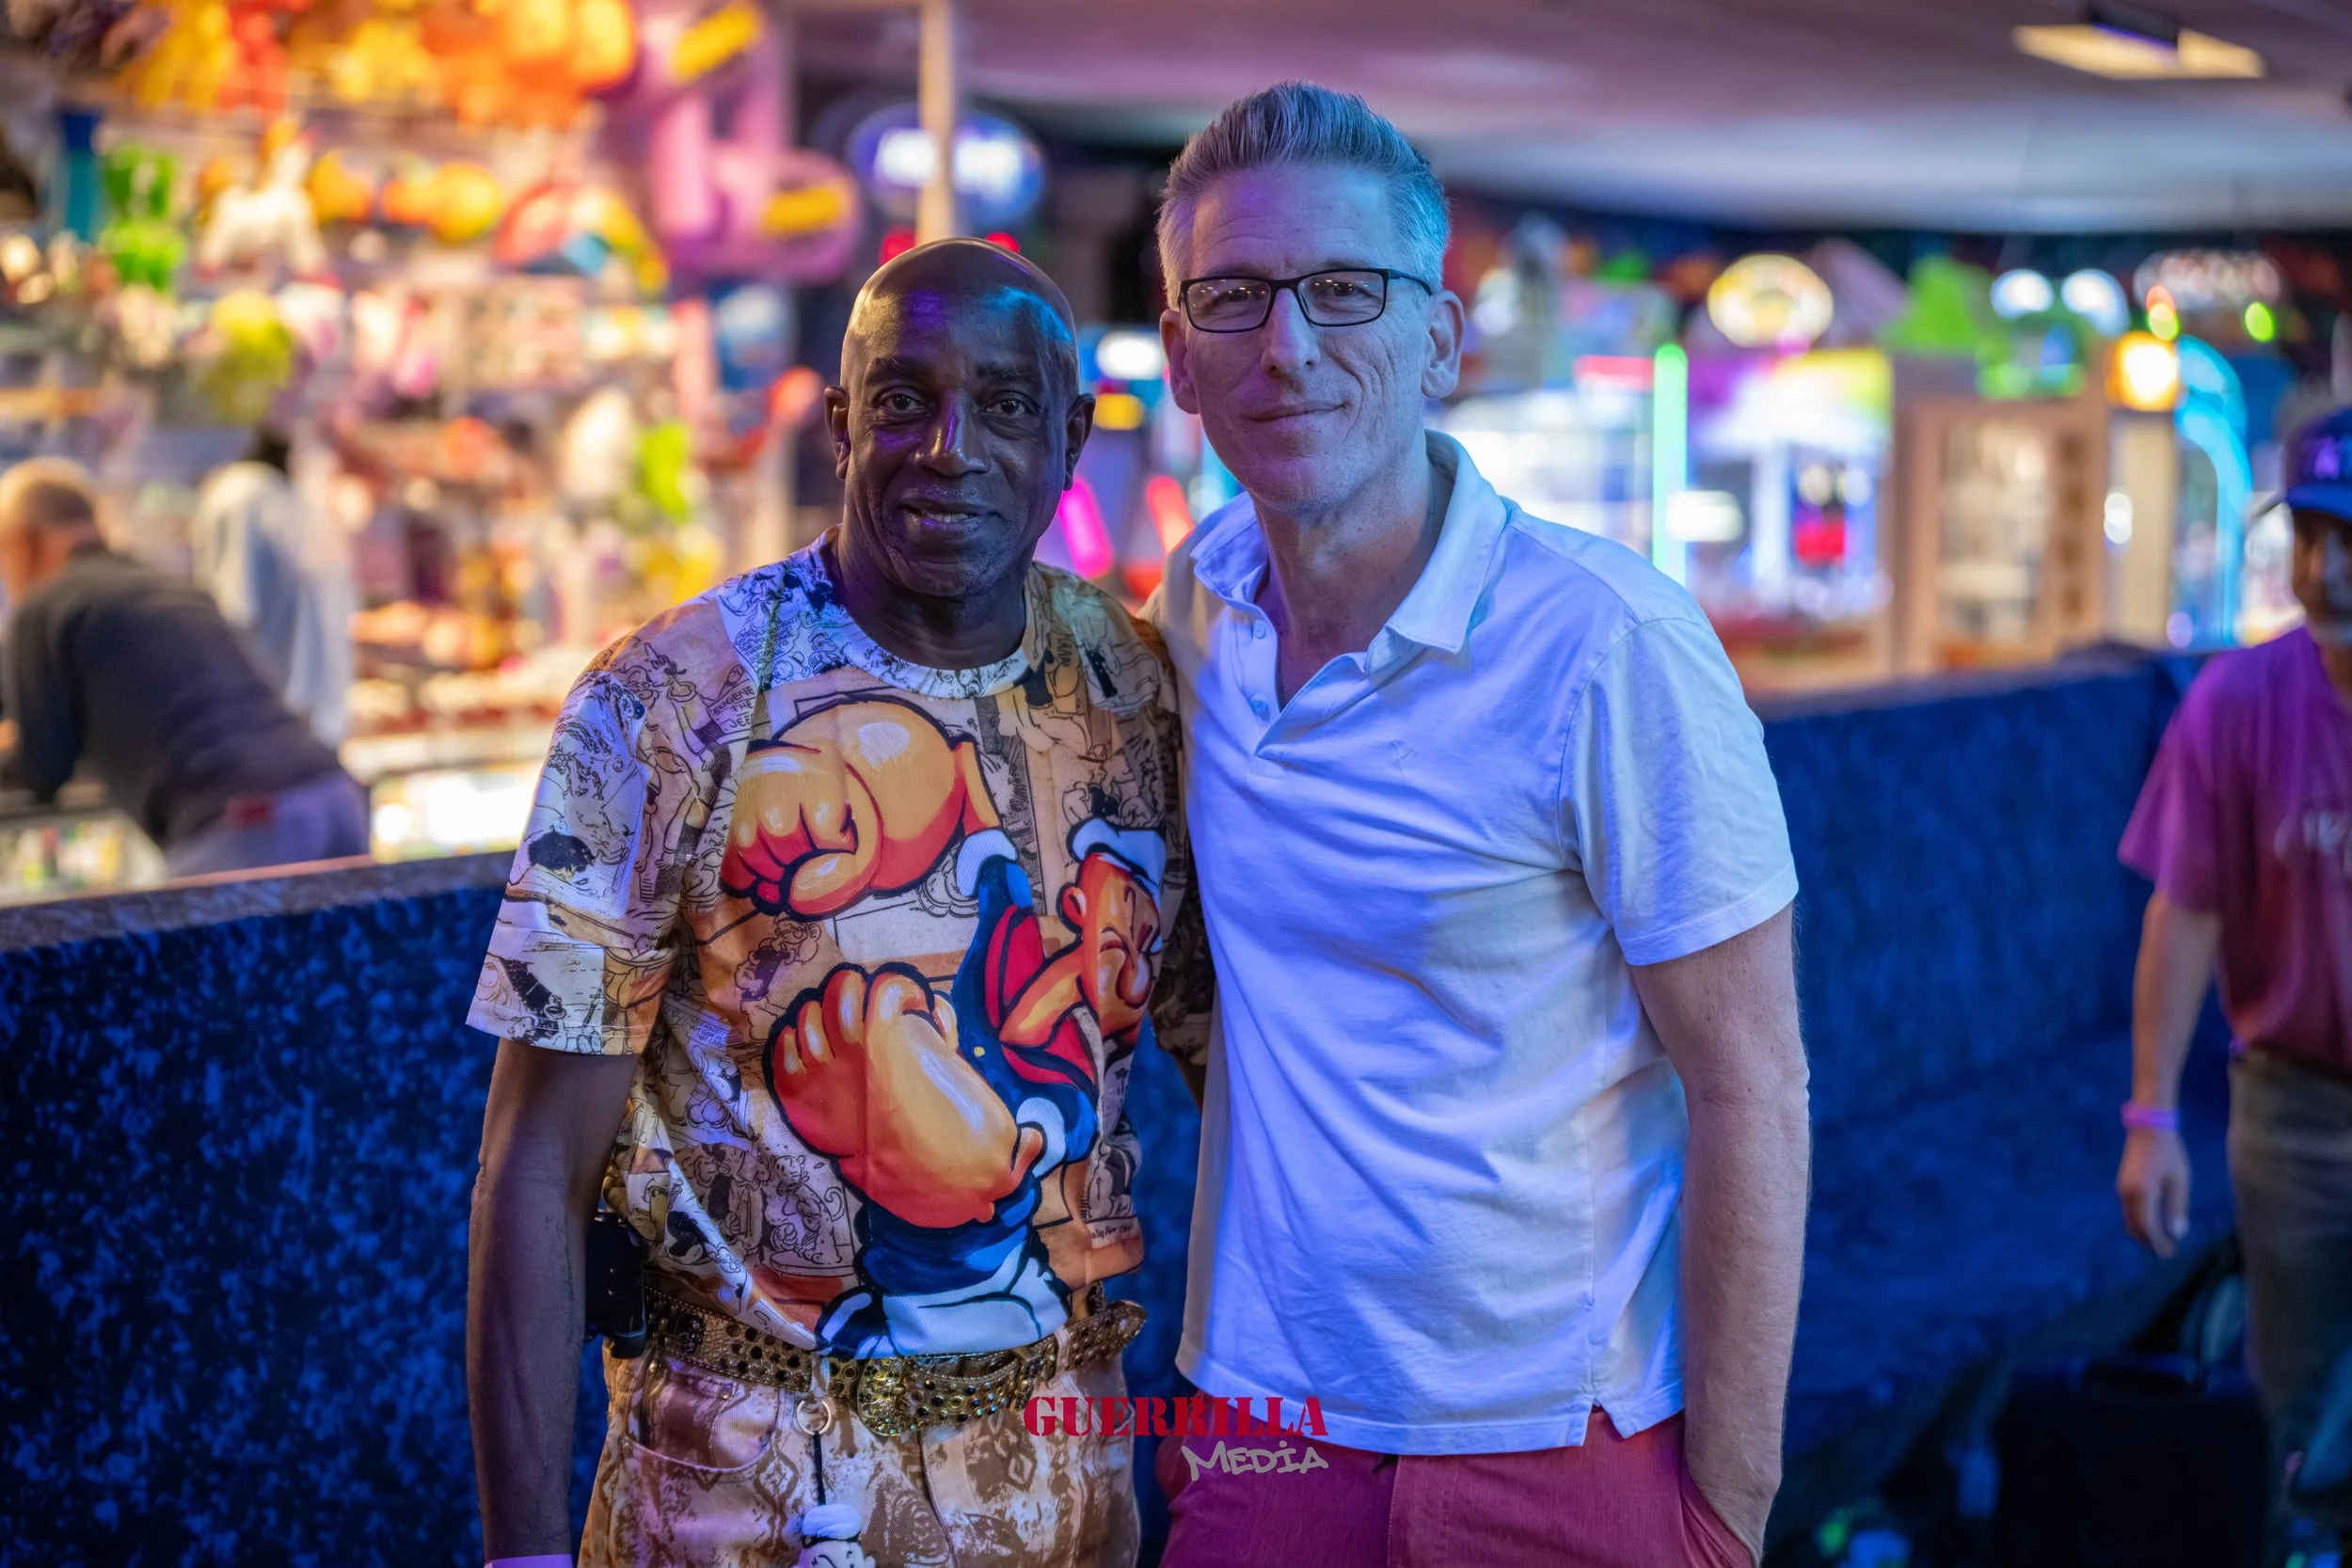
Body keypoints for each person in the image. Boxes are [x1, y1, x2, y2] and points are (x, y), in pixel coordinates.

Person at [465, 238, 1210, 1568]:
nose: (949, 449)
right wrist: (520, 1553)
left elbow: (1238, 1064)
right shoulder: (668, 698)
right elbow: (535, 1158)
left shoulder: (1136, 687)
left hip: (1066, 1481)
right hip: (740, 1492)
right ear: (841, 424)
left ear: (1070, 434)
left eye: (1004, 404)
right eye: (905, 399)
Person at [1145, 84, 1809, 1567]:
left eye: (1344, 290)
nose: (1288, 345)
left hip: (1566, 1438)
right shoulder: (1196, 611)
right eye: (1235, 297)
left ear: (1440, 340)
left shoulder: (1608, 643)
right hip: (1262, 1421)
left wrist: (1727, 1510)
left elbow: (1754, 1084)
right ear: (1182, 356)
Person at [2117, 405, 2352, 1549]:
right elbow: (2184, 911)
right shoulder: (2237, 701)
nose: (2326, 568)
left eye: (2350, 539)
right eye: (2309, 534)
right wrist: (2150, 1116)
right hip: (2292, 1108)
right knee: (2293, 1405)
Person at [0, 456, 368, 877]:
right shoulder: (162, 584)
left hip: (246, 820)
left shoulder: (47, 606)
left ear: (23, 541)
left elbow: (41, 767)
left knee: (200, 924)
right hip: (333, 794)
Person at [191, 424, 356, 746]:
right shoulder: (242, 499)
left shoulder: (294, 498)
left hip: (310, 726)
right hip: (264, 725)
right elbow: (230, 611)